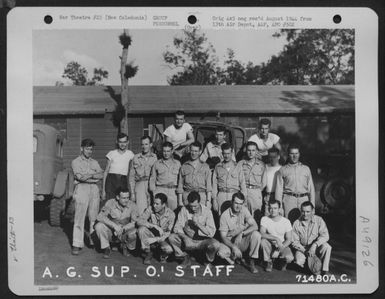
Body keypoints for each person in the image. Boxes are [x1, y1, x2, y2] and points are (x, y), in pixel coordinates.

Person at [168, 191, 220, 268]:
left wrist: (198, 224)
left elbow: (211, 232)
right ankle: (185, 258)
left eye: (195, 206)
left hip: (202, 241)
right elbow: (177, 227)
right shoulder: (184, 210)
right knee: (172, 237)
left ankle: (206, 260)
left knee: (215, 244)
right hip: (188, 240)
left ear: (199, 202)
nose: (193, 208)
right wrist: (185, 238)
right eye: (191, 206)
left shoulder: (207, 211)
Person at [71, 138, 104, 255]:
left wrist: (90, 175)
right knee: (79, 217)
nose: (89, 151)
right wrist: (93, 174)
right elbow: (80, 177)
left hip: (94, 189)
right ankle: (76, 243)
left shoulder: (94, 162)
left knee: (93, 217)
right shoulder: (76, 161)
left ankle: (93, 241)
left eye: (91, 149)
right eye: (87, 149)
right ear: (81, 149)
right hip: (82, 188)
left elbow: (101, 174)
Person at [217, 192, 261, 273]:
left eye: (240, 204)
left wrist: (242, 233)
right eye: (236, 203)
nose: (238, 206)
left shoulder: (244, 210)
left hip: (241, 241)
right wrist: (233, 247)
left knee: (256, 235)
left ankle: (251, 261)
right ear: (232, 202)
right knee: (221, 253)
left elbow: (255, 226)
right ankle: (235, 258)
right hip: (229, 243)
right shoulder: (224, 215)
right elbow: (223, 237)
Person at [94, 187, 139, 259]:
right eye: (124, 198)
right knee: (99, 226)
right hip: (113, 232)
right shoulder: (110, 203)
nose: (126, 200)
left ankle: (125, 246)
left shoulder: (133, 205)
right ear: (117, 197)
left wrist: (123, 228)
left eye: (128, 197)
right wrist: (114, 226)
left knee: (134, 232)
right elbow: (100, 216)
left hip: (125, 232)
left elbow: (135, 222)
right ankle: (107, 248)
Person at [275, 144, 315, 222]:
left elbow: (311, 189)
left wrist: (312, 206)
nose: (294, 156)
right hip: (289, 200)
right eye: (292, 153)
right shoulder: (282, 170)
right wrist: (279, 208)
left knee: (305, 224)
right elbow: (278, 190)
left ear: (299, 154)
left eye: (296, 153)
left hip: (304, 200)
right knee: (289, 224)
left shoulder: (306, 169)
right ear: (288, 155)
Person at [292, 201, 332, 275]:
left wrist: (315, 245)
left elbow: (326, 235)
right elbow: (294, 242)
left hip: (316, 247)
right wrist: (305, 251)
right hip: (303, 249)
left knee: (327, 247)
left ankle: (325, 270)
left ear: (313, 211)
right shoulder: (296, 223)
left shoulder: (319, 220)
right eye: (303, 211)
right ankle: (310, 266)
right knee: (298, 261)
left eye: (308, 211)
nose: (305, 214)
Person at [137, 193, 175, 265]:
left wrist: (156, 239)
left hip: (162, 238)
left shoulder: (171, 214)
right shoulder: (150, 209)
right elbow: (139, 221)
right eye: (154, 203)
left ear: (163, 205)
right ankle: (148, 253)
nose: (154, 206)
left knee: (169, 249)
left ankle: (162, 256)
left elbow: (169, 232)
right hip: (151, 235)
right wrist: (154, 226)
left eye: (157, 204)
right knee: (141, 229)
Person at [212, 143, 247, 215]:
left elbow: (242, 184)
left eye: (228, 153)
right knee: (221, 219)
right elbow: (214, 185)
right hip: (221, 196)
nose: (226, 156)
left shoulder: (238, 166)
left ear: (232, 153)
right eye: (224, 153)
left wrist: (244, 201)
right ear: (222, 153)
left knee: (235, 218)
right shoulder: (218, 167)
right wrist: (214, 200)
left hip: (234, 196)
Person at [260, 199, 294, 272]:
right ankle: (268, 261)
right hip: (270, 244)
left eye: (275, 208)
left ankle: (281, 262)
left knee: (289, 258)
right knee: (263, 241)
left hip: (282, 245)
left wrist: (278, 250)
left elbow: (289, 239)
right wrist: (276, 238)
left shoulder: (286, 221)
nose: (273, 210)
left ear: (279, 209)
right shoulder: (265, 219)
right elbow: (262, 234)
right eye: (271, 208)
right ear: (268, 209)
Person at [177, 141, 212, 208]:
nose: (193, 153)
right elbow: (180, 185)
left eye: (196, 151)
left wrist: (208, 201)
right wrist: (180, 202)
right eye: (192, 151)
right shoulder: (184, 166)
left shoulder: (205, 166)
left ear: (200, 152)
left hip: (201, 196)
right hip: (187, 196)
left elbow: (209, 186)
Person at [128, 136, 158, 215]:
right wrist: (132, 193)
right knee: (141, 210)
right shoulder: (136, 158)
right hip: (140, 184)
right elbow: (131, 177)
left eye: (146, 144)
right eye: (142, 144)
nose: (144, 146)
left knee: (154, 208)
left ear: (151, 145)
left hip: (152, 185)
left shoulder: (155, 157)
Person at [238, 141, 267, 219]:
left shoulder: (261, 165)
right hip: (243, 191)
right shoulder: (240, 164)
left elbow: (264, 182)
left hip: (256, 192)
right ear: (246, 151)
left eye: (253, 150)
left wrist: (257, 191)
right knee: (242, 215)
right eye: (249, 150)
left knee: (256, 216)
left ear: (256, 151)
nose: (251, 153)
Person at [149, 141, 181, 211]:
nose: (166, 153)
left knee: (174, 212)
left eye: (168, 151)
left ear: (172, 151)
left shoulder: (178, 164)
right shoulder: (157, 164)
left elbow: (181, 180)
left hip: (173, 191)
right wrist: (155, 193)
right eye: (164, 151)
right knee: (159, 212)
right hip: (160, 190)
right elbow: (152, 180)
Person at [102, 133, 134, 202]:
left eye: (124, 142)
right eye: (120, 142)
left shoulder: (130, 154)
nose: (122, 144)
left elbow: (132, 171)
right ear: (117, 142)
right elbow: (106, 172)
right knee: (110, 203)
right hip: (111, 181)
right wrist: (103, 190)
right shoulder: (112, 153)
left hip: (123, 180)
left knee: (122, 203)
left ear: (127, 142)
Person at [263, 147, 282, 215]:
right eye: (270, 157)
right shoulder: (266, 166)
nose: (272, 159)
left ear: (278, 157)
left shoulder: (282, 168)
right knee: (267, 216)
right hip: (268, 196)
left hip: (278, 196)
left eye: (274, 157)